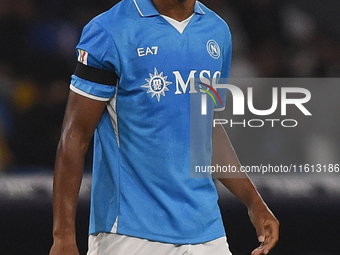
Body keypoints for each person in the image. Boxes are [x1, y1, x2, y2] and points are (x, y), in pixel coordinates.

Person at [50, 0, 279, 254]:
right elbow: (75, 134)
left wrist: (254, 201)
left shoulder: (217, 31)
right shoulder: (109, 30)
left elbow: (206, 128)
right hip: (129, 235)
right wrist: (63, 236)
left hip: (207, 233)